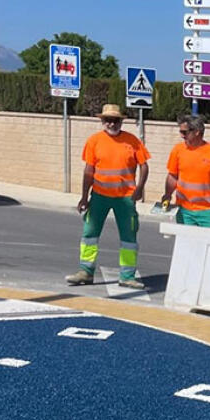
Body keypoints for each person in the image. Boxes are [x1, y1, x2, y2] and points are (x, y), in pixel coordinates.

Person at [65, 103, 150, 289]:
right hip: (100, 196)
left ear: (121, 122)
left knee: (129, 237)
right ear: (102, 121)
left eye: (115, 120)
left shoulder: (133, 141)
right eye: (108, 120)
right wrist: (84, 197)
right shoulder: (94, 141)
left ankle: (127, 276)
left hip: (125, 198)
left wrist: (140, 188)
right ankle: (85, 272)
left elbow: (144, 166)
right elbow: (89, 170)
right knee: (90, 234)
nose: (111, 124)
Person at [161, 114, 210, 228]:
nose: (182, 136)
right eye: (181, 132)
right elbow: (172, 176)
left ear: (197, 132)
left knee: (208, 243)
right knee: (186, 244)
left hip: (207, 211)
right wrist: (167, 195)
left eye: (184, 132)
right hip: (184, 210)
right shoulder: (178, 150)